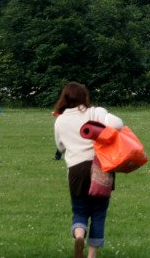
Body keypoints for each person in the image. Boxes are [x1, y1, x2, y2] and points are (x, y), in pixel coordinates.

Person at [54, 82, 125, 258]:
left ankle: (79, 236)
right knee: (98, 213)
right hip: (100, 167)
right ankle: (92, 256)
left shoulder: (60, 120)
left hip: (76, 171)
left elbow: (60, 147)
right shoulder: (95, 112)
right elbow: (118, 124)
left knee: (79, 211)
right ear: (84, 96)